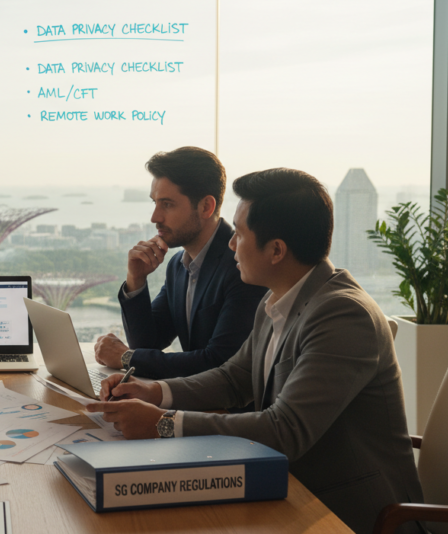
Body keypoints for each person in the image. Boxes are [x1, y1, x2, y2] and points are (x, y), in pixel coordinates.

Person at [87, 169, 423, 534]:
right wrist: (154, 393)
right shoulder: (278, 297)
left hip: (350, 513)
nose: (231, 245)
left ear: (276, 250)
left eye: (240, 235)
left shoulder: (343, 315)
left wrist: (163, 423)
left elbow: (286, 429)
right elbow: (236, 377)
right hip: (288, 489)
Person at [94, 147, 266, 379]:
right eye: (155, 203)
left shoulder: (242, 265)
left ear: (206, 207)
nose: (155, 217)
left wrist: (127, 358)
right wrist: (136, 279)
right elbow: (149, 343)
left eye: (167, 204)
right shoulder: (178, 265)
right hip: (195, 402)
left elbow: (218, 362)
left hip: (227, 411)